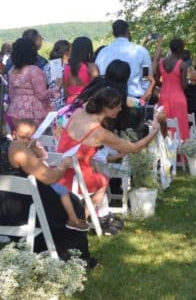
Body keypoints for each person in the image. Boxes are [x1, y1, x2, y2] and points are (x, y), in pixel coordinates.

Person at [56, 87, 160, 234]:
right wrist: (154, 131)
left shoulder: (79, 112)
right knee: (103, 181)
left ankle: (81, 217)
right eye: (118, 107)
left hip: (58, 168)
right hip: (74, 176)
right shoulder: (99, 133)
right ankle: (80, 220)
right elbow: (135, 148)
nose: (120, 110)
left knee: (96, 169)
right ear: (107, 108)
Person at [1, 135, 96, 267]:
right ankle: (77, 258)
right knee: (71, 203)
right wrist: (63, 166)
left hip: (5, 213)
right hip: (22, 212)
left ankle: (42, 251)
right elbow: (49, 178)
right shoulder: (14, 149)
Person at [12, 119, 89, 231]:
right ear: (14, 134)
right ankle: (74, 219)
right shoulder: (14, 147)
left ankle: (73, 219)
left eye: (29, 138)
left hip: (40, 178)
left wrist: (33, 147)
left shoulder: (32, 145)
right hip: (32, 182)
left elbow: (43, 156)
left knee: (63, 190)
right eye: (22, 137)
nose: (25, 141)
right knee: (62, 190)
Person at [95, 19, 155, 103]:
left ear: (113, 34)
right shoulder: (141, 51)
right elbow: (146, 76)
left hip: (108, 101)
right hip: (135, 99)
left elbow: (99, 76)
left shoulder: (103, 52)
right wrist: (144, 94)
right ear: (127, 31)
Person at [7, 38, 60, 127]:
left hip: (15, 110)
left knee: (22, 138)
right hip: (33, 111)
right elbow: (41, 94)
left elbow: (11, 93)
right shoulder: (33, 70)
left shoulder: (11, 70)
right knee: (35, 137)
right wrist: (56, 88)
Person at [154, 38, 190, 140]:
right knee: (179, 124)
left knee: (165, 124)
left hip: (164, 96)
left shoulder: (161, 62)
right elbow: (184, 85)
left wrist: (165, 85)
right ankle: (179, 152)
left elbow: (156, 80)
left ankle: (165, 150)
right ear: (181, 49)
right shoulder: (182, 64)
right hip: (178, 97)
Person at [64, 37, 99, 104]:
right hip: (85, 103)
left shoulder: (67, 67)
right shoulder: (91, 67)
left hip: (70, 103)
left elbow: (66, 92)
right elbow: (95, 89)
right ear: (88, 49)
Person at [44, 39, 71, 111]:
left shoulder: (48, 65)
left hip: (50, 103)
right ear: (66, 52)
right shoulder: (59, 65)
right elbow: (58, 86)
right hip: (61, 103)